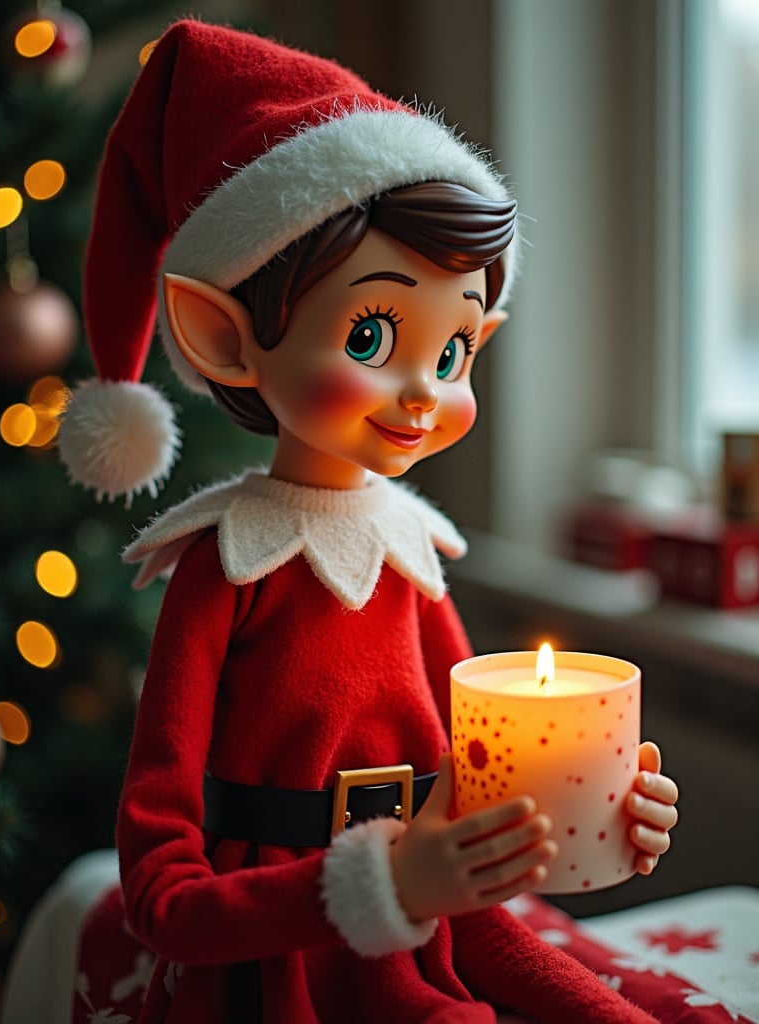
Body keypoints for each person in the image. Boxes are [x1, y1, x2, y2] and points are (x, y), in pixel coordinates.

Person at [59, 20, 677, 1024]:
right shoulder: (229, 569)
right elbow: (163, 901)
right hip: (264, 977)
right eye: (373, 334)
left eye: (456, 351)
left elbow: (472, 854)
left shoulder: (413, 557)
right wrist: (391, 885)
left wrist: (590, 819)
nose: (424, 394)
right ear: (223, 337)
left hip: (420, 969)